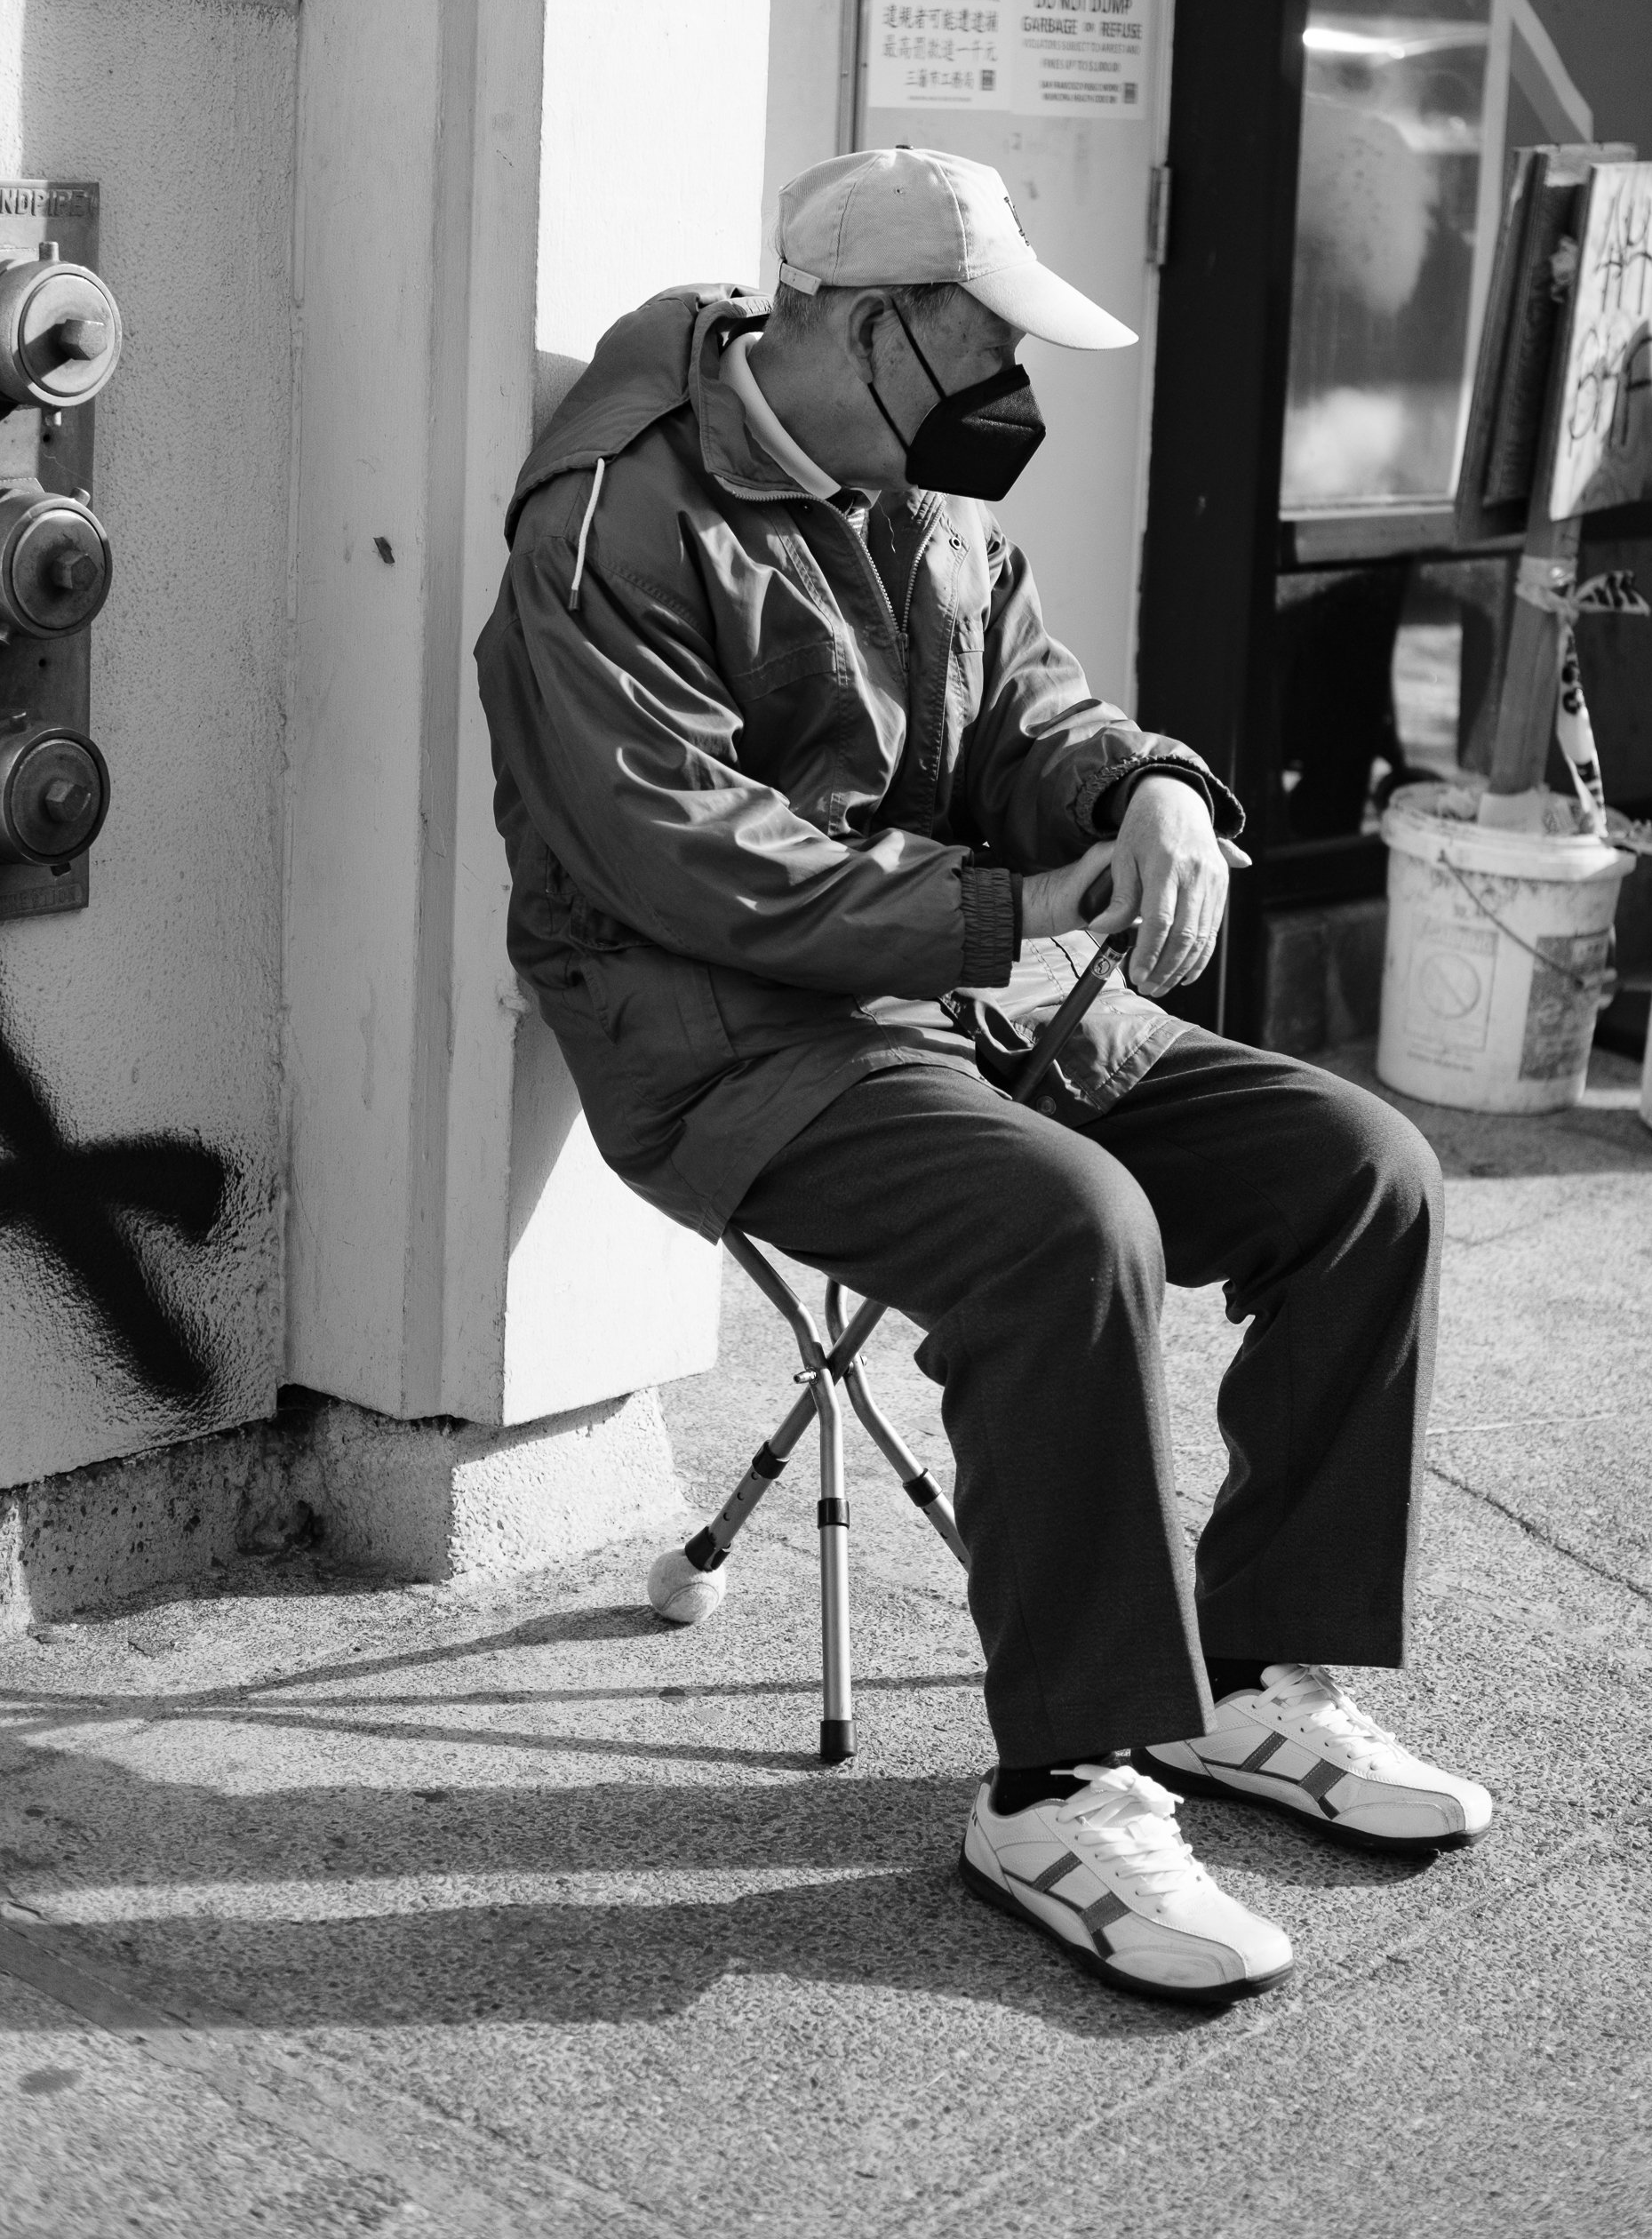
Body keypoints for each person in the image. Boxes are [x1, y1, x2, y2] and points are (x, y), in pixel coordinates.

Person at [475, 146, 1490, 2008]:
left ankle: (1243, 1682)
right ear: (866, 325)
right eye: (986, 343)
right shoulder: (612, 520)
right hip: (724, 1036)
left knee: (1359, 1166)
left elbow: (1031, 712)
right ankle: (1059, 1787)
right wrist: (1007, 905)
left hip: (961, 993)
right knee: (1062, 1226)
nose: (1011, 388)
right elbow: (685, 862)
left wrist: (1144, 788)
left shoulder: (914, 486)